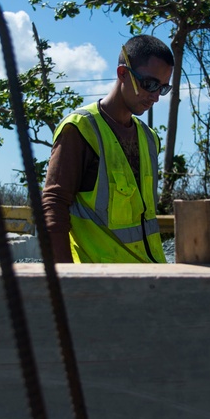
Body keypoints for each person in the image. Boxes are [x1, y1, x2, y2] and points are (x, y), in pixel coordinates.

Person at [42, 35, 174, 263]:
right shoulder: (81, 128)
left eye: (163, 89)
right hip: (101, 283)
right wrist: (65, 278)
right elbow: (54, 204)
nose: (155, 97)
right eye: (150, 84)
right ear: (123, 74)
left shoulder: (149, 139)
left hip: (151, 279)